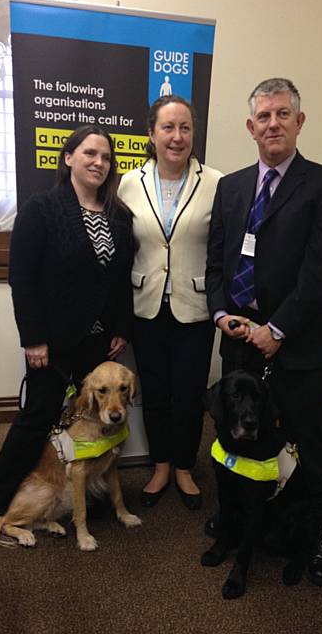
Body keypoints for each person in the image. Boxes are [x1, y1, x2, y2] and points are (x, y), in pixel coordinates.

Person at [205, 78, 322, 586]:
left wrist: (280, 328)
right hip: (240, 342)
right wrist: (221, 312)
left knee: (308, 442)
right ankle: (240, 519)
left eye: (282, 114)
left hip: (297, 346)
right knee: (239, 435)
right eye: (263, 116)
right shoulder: (232, 186)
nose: (273, 124)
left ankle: (317, 532)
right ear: (251, 127)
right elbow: (218, 258)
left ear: (299, 121)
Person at [0, 125, 133, 541]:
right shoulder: (42, 208)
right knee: (37, 419)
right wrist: (33, 338)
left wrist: (120, 328)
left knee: (92, 422)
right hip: (53, 340)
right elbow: (21, 277)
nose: (99, 162)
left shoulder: (119, 215)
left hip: (98, 342)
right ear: (69, 159)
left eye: (106, 156)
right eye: (89, 153)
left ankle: (84, 496)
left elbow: (118, 280)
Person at [118, 95, 222, 510]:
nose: (177, 137)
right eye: (167, 128)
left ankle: (184, 466)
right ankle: (160, 464)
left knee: (190, 392)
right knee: (156, 392)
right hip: (145, 306)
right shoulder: (128, 182)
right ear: (151, 134)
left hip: (194, 307)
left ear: (193, 133)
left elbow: (225, 250)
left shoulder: (217, 182)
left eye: (185, 128)